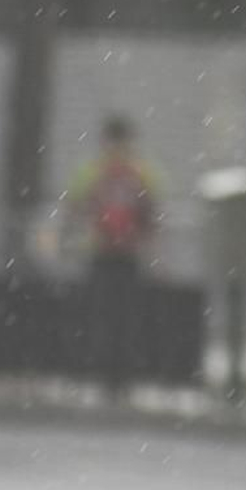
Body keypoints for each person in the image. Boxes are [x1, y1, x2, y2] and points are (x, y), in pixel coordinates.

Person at [64, 114, 160, 397]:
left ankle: (110, 378)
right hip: (123, 253)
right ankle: (118, 379)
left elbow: (74, 207)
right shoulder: (142, 172)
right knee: (121, 318)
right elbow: (154, 213)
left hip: (105, 252)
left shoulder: (94, 171)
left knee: (107, 316)